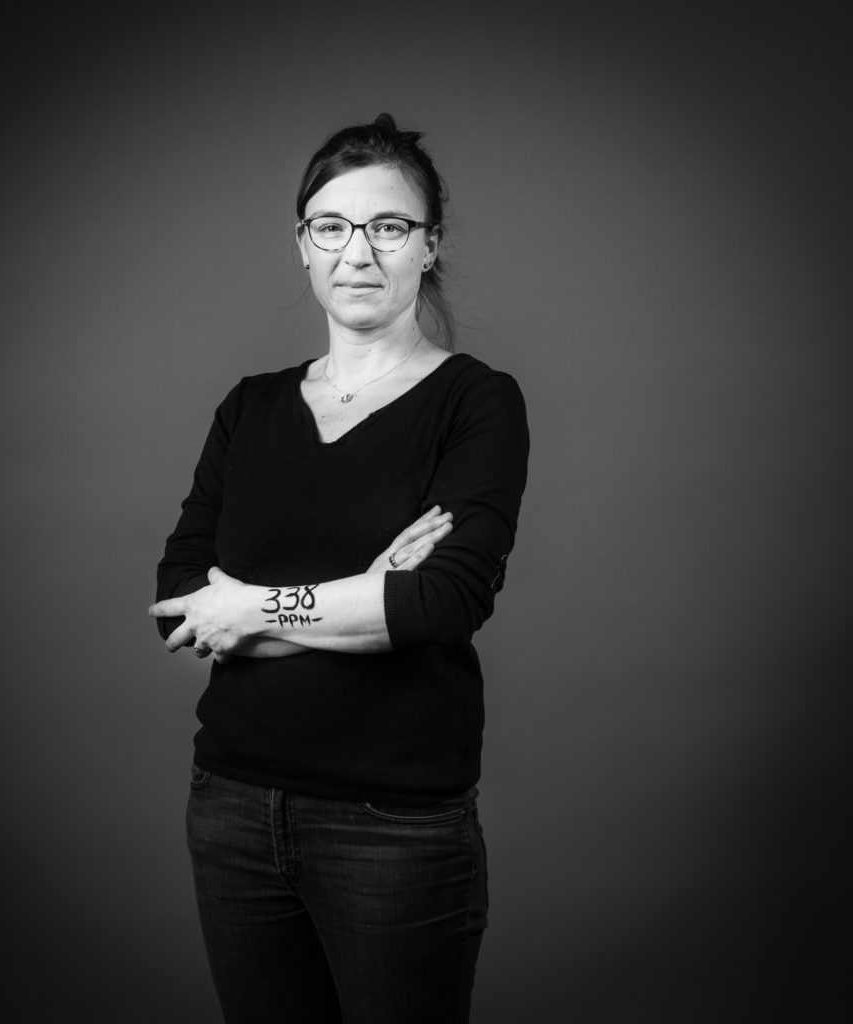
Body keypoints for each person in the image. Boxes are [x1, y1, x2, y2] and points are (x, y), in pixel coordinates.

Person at [149, 113, 528, 1024]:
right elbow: (182, 606)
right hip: (231, 808)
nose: (357, 252)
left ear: (429, 246)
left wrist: (250, 612)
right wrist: (366, 593)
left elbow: (439, 602)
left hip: (393, 827)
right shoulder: (249, 408)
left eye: (388, 226)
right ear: (303, 246)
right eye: (332, 226)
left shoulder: (477, 402)